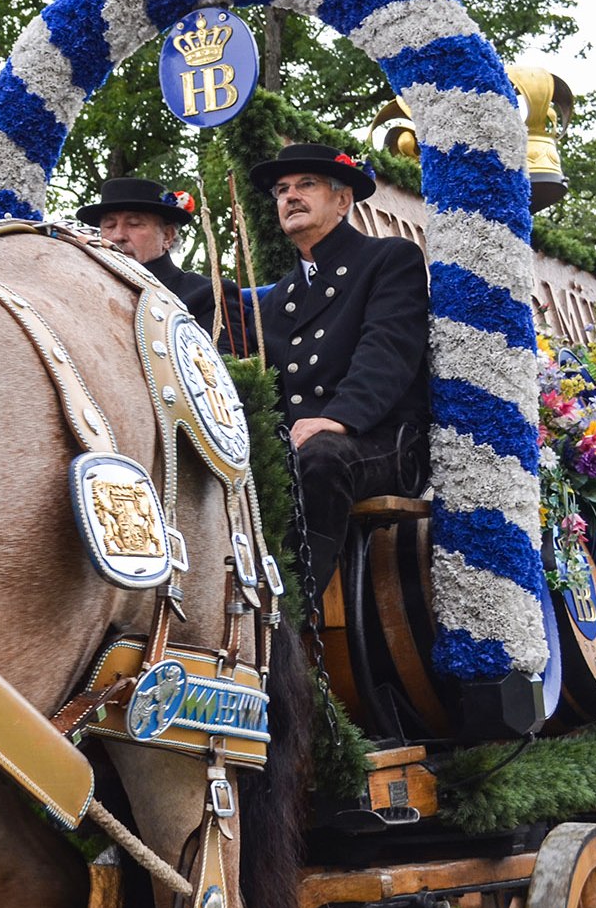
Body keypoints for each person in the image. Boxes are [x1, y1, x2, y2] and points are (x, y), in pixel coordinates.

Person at [250, 143, 430, 589]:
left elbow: (387, 352)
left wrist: (337, 418)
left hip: (380, 440)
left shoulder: (389, 259)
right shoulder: (278, 298)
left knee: (320, 458)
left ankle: (291, 613)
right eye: (281, 190)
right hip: (299, 444)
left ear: (343, 199)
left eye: (306, 185)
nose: (290, 196)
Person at [80, 176, 245, 351]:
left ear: (167, 236)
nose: (117, 235)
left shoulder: (209, 295)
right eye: (109, 226)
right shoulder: (85, 294)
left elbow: (226, 371)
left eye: (134, 224)